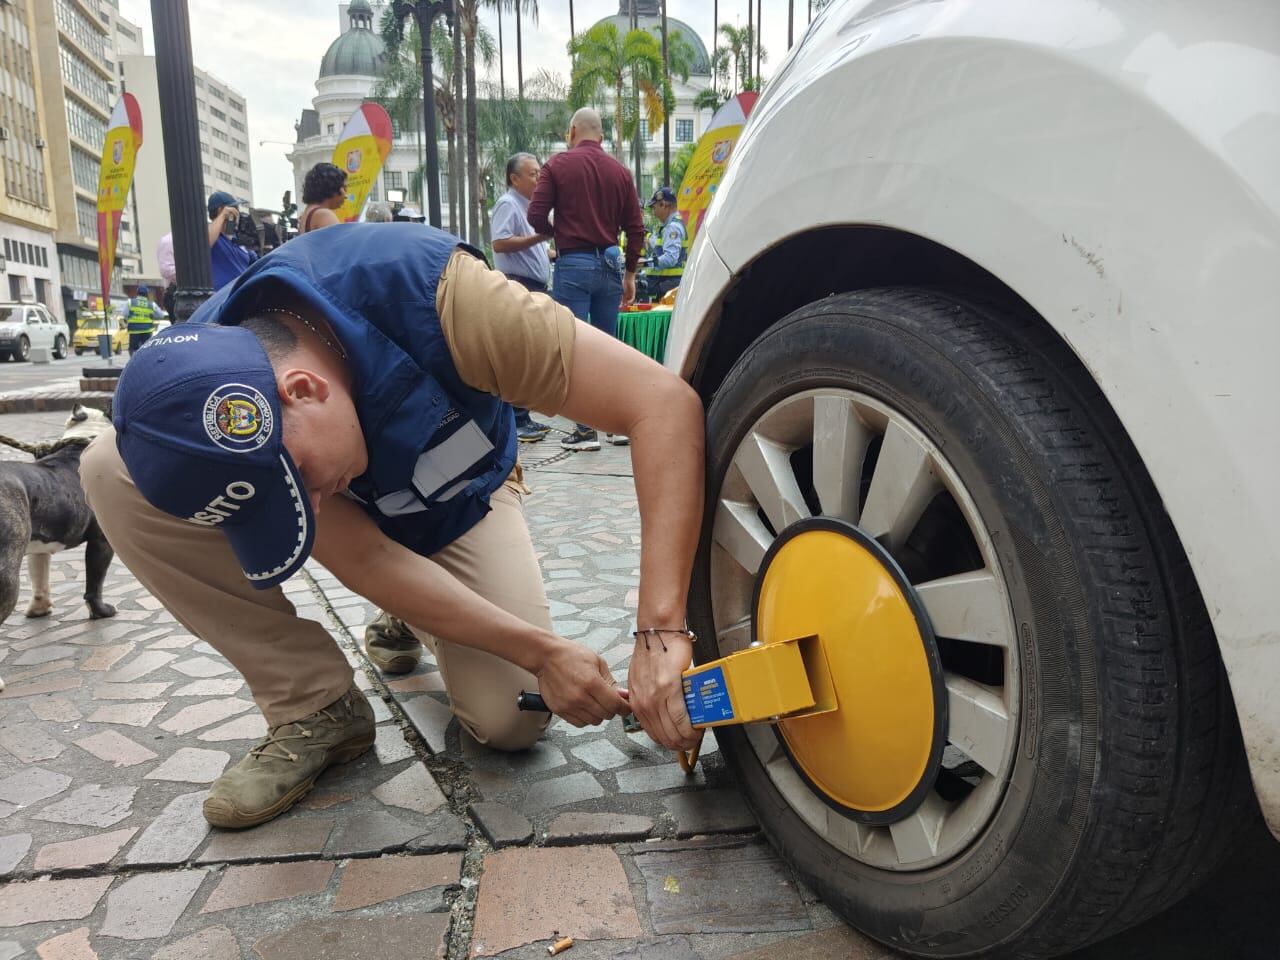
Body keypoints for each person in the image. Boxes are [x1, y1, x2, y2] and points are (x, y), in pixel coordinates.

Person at [80, 223, 704, 831]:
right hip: (381, 512)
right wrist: (544, 652)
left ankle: (415, 614)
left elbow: (661, 404)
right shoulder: (205, 399)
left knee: (509, 721)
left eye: (300, 486)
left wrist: (659, 631)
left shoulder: (447, 299)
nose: (312, 511)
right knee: (110, 464)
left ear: (303, 388)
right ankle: (313, 702)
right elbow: (369, 560)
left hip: (458, 494)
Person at [528, 107, 645, 452]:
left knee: (575, 347)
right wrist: (631, 274)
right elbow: (636, 228)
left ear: (572, 130)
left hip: (574, 264)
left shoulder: (557, 166)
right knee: (609, 346)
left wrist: (559, 233)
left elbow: (535, 214)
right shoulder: (620, 172)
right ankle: (616, 425)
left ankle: (584, 430)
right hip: (610, 264)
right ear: (602, 136)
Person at [491, 152, 554, 443]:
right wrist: (539, 239)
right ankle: (516, 420)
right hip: (518, 285)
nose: (538, 178)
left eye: (540, 173)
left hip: (534, 285)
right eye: (532, 174)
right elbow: (500, 243)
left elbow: (532, 251)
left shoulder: (529, 207)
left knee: (530, 352)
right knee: (519, 352)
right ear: (513, 179)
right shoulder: (508, 204)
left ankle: (523, 417)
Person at [640, 186, 687, 302]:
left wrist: (646, 263)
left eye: (654, 207)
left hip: (668, 286)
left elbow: (670, 258)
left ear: (663, 205)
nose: (653, 212)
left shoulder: (672, 227)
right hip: (668, 285)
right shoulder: (671, 225)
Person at [208, 191, 255, 291]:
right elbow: (205, 243)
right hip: (220, 299)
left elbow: (256, 262)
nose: (237, 212)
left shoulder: (237, 238)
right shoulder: (211, 234)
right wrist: (222, 216)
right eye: (234, 209)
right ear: (221, 210)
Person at [299, 162, 348, 234]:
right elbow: (341, 243)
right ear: (333, 186)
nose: (346, 196)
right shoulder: (323, 214)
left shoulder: (305, 215)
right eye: (344, 188)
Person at [126, 285, 156, 354]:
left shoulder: (130, 302)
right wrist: (152, 316)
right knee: (147, 348)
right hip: (147, 330)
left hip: (134, 330)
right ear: (147, 294)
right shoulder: (151, 304)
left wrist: (130, 318)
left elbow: (124, 313)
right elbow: (160, 315)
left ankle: (134, 362)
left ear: (137, 293)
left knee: (133, 349)